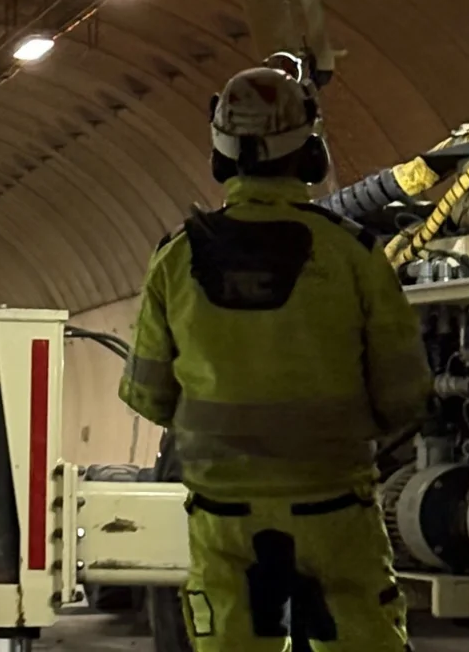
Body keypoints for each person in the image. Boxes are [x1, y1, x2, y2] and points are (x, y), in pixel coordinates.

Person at [119, 62, 430, 651]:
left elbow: (149, 396)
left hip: (225, 518)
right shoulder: (354, 255)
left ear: (220, 158)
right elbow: (405, 396)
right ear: (309, 154)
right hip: (334, 512)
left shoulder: (176, 259)